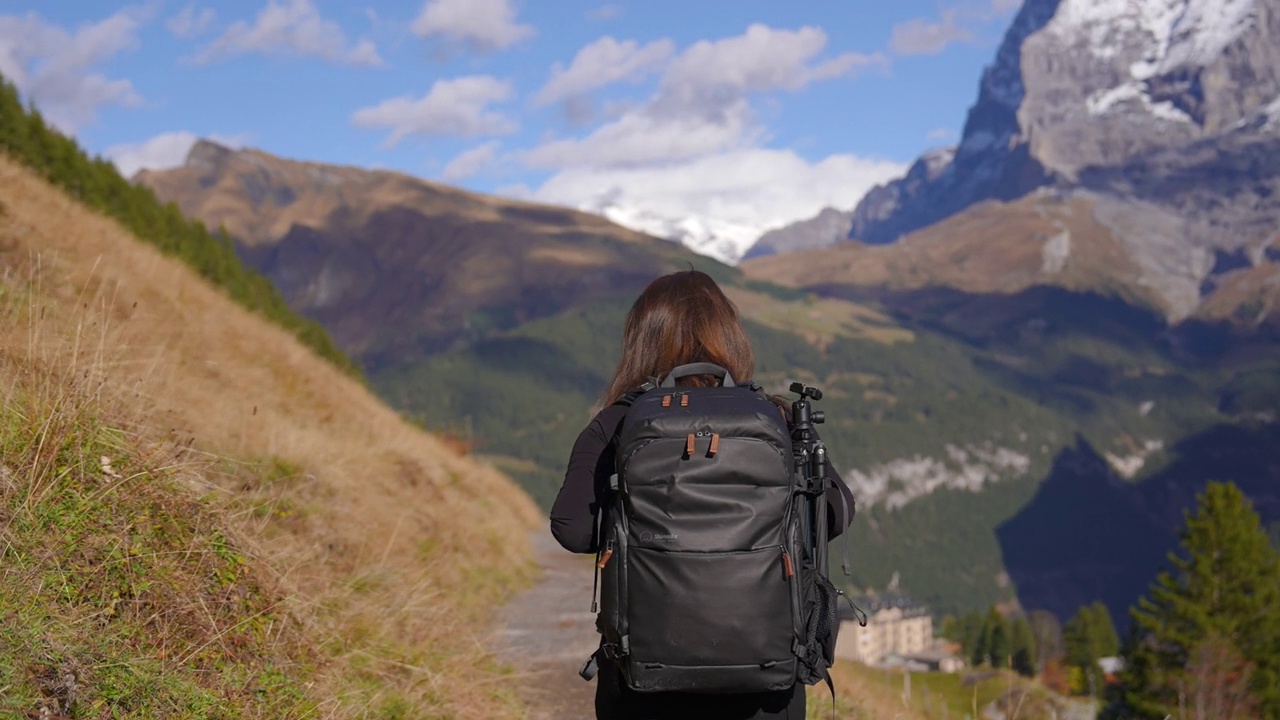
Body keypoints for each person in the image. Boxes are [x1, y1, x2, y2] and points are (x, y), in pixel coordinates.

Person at [550, 269, 856, 720]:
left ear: (641, 340)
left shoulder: (617, 423)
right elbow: (836, 512)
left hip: (644, 682)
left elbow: (572, 529)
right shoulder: (777, 417)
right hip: (766, 687)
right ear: (730, 336)